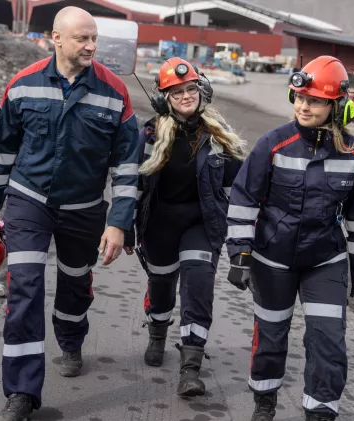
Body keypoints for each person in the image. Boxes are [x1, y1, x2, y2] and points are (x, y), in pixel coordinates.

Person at [0, 6, 140, 421]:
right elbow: (1, 151)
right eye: (83, 38)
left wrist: (119, 222)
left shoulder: (115, 92)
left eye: (95, 38)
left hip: (84, 210)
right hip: (28, 203)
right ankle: (22, 393)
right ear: (57, 38)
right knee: (24, 288)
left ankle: (70, 338)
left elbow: (127, 166)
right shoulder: (22, 85)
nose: (91, 46)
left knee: (74, 284)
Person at [225, 56, 354, 421]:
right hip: (272, 260)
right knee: (271, 336)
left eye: (315, 100)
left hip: (324, 261)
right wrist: (240, 253)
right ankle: (264, 402)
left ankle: (321, 412)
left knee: (328, 339)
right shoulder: (274, 144)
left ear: (337, 105)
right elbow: (244, 198)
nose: (303, 106)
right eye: (298, 97)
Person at [128, 57, 246, 397]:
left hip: (200, 224)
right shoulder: (149, 135)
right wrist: (122, 227)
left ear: (201, 90)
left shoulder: (217, 135)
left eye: (190, 88)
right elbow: (131, 185)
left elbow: (242, 187)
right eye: (175, 91)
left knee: (198, 283)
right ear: (163, 98)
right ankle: (158, 332)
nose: (184, 96)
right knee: (162, 285)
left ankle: (191, 366)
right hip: (159, 226)